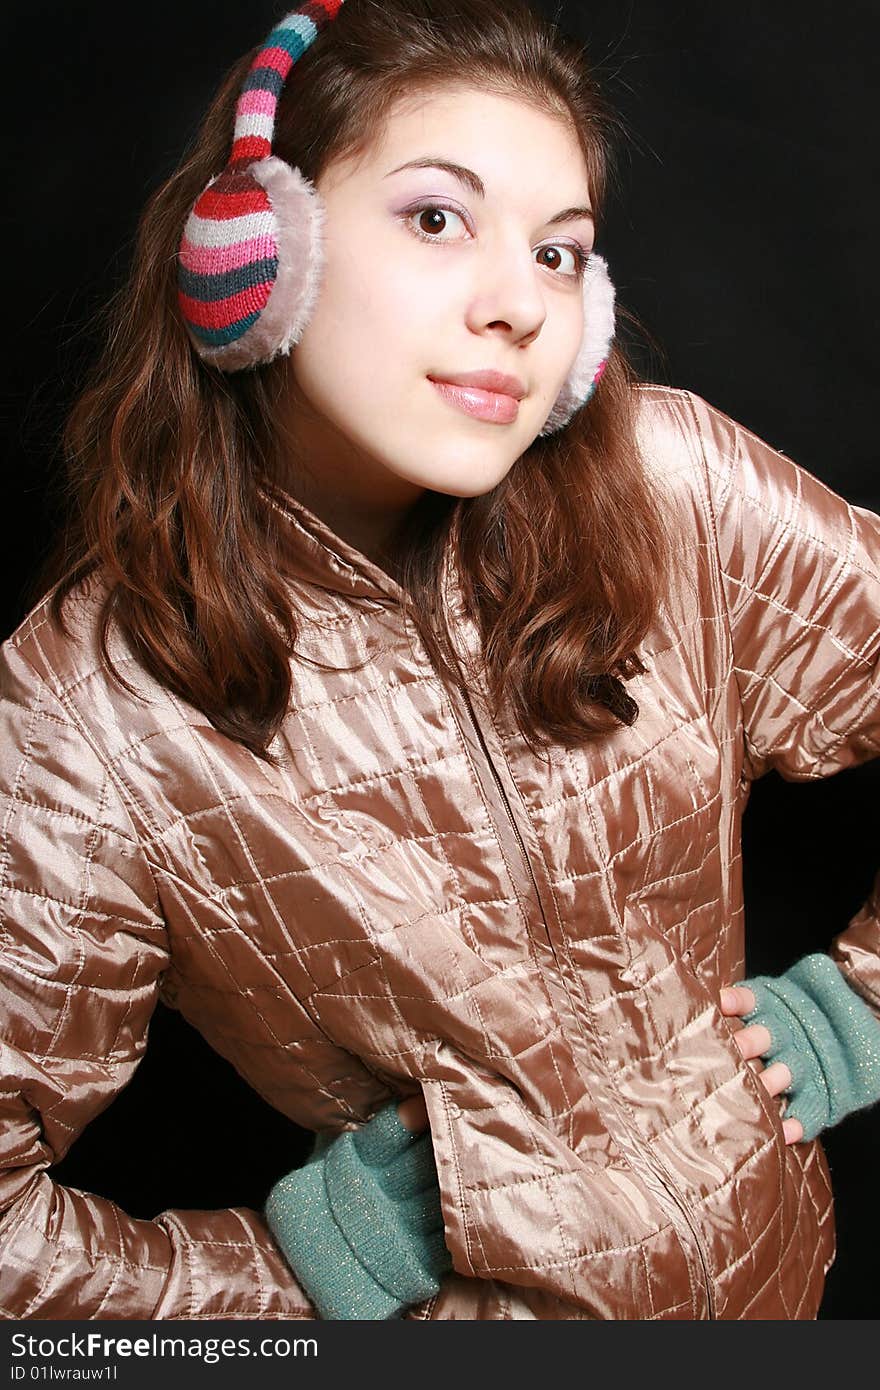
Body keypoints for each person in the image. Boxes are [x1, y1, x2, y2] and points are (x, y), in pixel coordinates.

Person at [1, 0, 878, 1322]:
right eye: (435, 218)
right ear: (260, 254)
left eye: (561, 252)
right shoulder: (89, 715)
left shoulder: (672, 488)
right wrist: (303, 1270)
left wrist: (862, 1010)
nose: (518, 302)